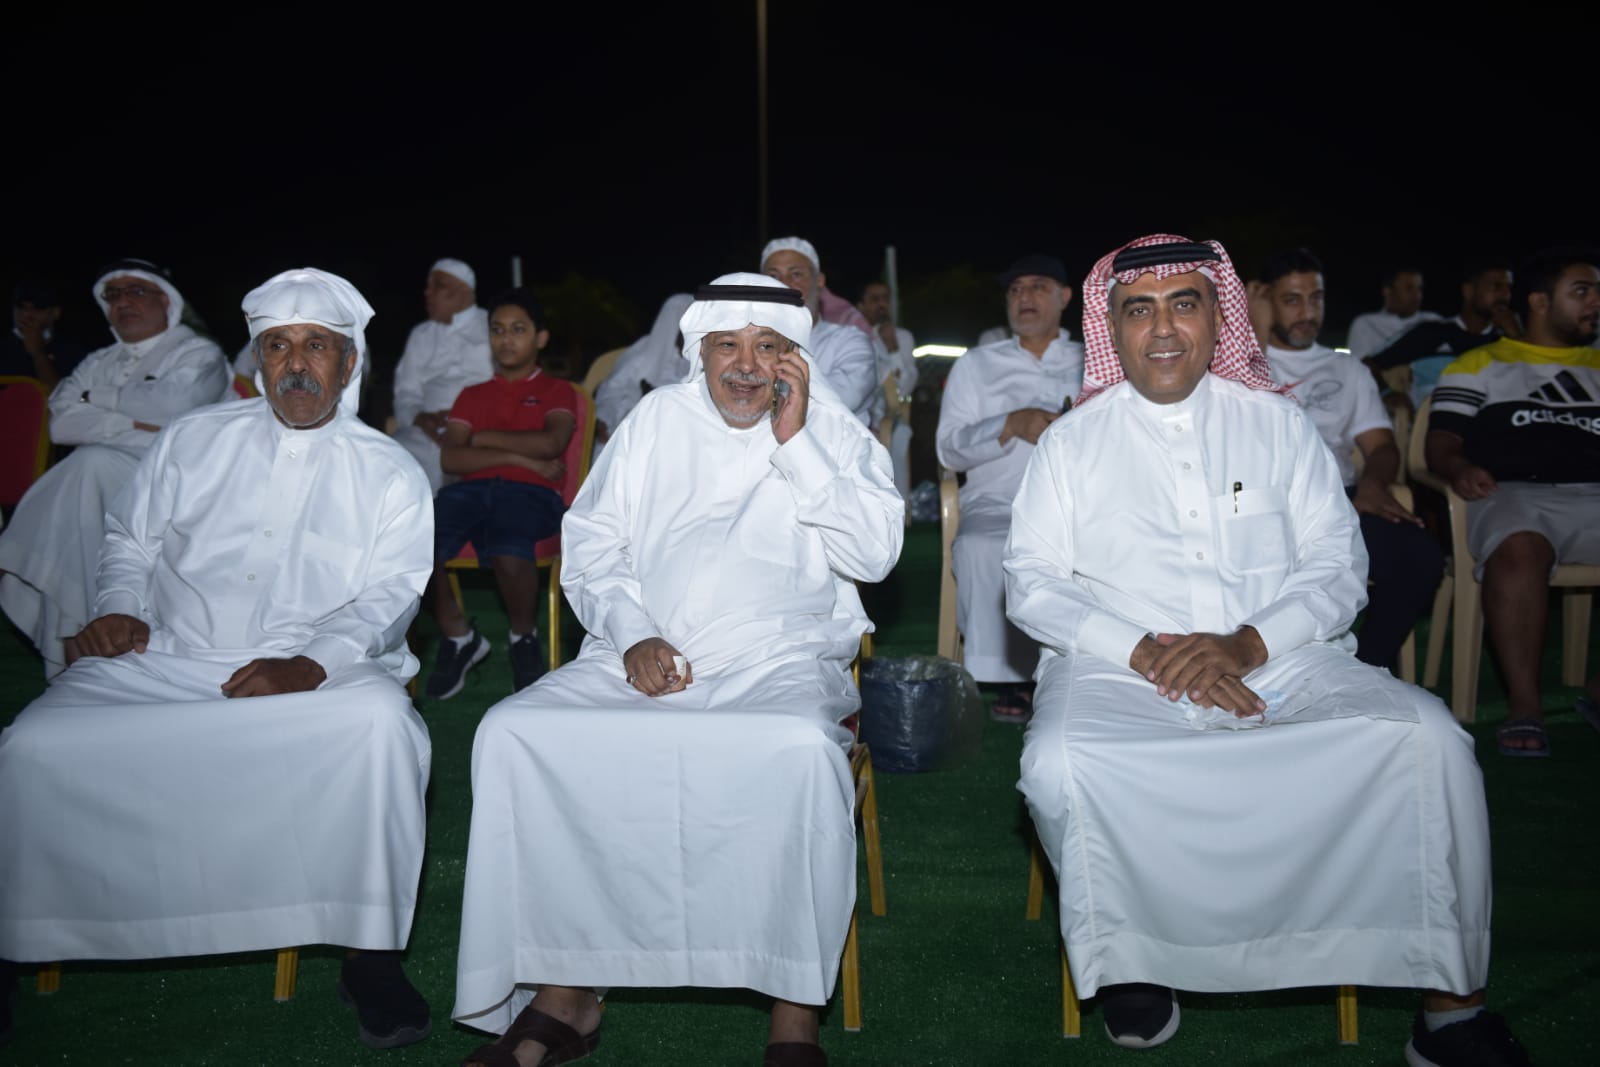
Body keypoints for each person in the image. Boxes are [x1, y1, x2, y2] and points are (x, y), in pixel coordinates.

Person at [1007, 234, 1529, 1065]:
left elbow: (1338, 564)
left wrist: (1248, 642)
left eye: (1184, 303)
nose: (1163, 328)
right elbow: (1031, 582)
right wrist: (1145, 651)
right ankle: (1137, 958)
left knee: (1430, 739)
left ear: (1220, 318)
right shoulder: (1073, 442)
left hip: (1283, 656)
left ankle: (1451, 1010)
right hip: (1120, 667)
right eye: (1139, 310)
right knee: (1058, 761)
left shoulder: (1279, 425)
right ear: (1112, 328)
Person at [451, 273, 902, 1067]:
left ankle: (794, 1011)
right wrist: (631, 634)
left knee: (799, 751)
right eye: (728, 344)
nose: (747, 365)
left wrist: (796, 442)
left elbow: (874, 554)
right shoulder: (657, 418)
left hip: (779, 660)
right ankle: (564, 992)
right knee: (515, 731)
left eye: (768, 346)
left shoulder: (831, 428)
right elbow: (592, 543)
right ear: (701, 350)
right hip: (640, 652)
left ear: (795, 357)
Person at [0, 268, 435, 1050]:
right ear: (257, 357)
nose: (295, 363)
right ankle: (17, 937)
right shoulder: (192, 437)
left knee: (383, 729)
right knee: (31, 742)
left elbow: (391, 596)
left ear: (349, 362)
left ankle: (369, 954)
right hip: (170, 652)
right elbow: (129, 541)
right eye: (278, 345)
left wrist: (308, 663)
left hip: (321, 672)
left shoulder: (390, 468)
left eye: (316, 345)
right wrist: (119, 606)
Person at [0, 258, 228, 676]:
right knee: (91, 469)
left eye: (136, 291)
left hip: (185, 478)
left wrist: (96, 399)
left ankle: (75, 635)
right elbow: (61, 423)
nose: (123, 302)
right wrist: (138, 424)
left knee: (90, 464)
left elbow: (178, 404)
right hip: (106, 473)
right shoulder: (98, 360)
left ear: (167, 301)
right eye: (114, 294)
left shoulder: (199, 352)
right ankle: (88, 634)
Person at [1425, 248, 1600, 757]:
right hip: (1515, 492)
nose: (1595, 303)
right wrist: (1459, 468)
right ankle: (1525, 705)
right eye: (1582, 292)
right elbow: (1442, 441)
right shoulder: (1478, 364)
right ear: (1540, 302)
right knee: (1518, 549)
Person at [1258, 247, 1444, 672]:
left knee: (1419, 557)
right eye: (1292, 300)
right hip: (1263, 501)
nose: (1308, 313)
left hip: (1338, 498)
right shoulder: (1235, 363)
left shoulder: (1347, 369)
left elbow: (1381, 446)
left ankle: (1367, 668)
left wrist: (1374, 483)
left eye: (1316, 298)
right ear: (1265, 300)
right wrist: (1255, 328)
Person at [935, 254, 1083, 720]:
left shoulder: (1093, 359)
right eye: (1016, 290)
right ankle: (1015, 678)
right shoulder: (977, 364)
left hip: (1080, 500)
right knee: (983, 545)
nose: (1024, 297)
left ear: (1065, 297)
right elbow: (948, 450)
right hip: (998, 500)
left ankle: (1091, 667)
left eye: (1038, 287)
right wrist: (1010, 424)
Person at [424, 288, 580, 699]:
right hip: (469, 493)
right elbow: (451, 458)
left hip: (532, 495)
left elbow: (551, 444)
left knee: (510, 548)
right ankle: (458, 635)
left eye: (518, 330)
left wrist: (483, 438)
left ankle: (523, 637)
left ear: (540, 338)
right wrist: (519, 456)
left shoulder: (558, 391)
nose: (506, 339)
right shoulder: (471, 395)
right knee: (412, 541)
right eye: (497, 330)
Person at [391, 258, 493, 491]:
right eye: (428, 286)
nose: (427, 292)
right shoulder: (421, 335)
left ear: (464, 291)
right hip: (426, 433)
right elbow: (406, 392)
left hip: (482, 428)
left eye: (439, 285)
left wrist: (466, 417)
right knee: (390, 461)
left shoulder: (492, 326)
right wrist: (419, 418)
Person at [1368, 260, 1520, 408]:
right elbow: (1369, 365)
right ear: (1469, 291)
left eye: (1509, 288)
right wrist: (1388, 393)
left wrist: (1516, 337)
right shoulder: (1433, 332)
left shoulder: (1505, 341)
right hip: (1432, 416)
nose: (1505, 294)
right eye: (1496, 286)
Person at [762, 236, 879, 425]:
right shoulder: (743, 346)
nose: (783, 284)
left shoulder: (849, 341)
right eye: (773, 277)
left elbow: (841, 400)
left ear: (819, 280)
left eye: (796, 274)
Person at [592, 292, 694, 441]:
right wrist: (605, 419)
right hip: (630, 428)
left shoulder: (705, 358)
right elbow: (613, 390)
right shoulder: (645, 351)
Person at [857, 279, 918, 500]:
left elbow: (906, 386)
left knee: (897, 434)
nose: (881, 304)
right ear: (861, 306)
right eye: (874, 299)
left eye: (885, 299)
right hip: (857, 414)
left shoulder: (903, 337)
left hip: (890, 417)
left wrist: (892, 347)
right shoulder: (853, 337)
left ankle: (897, 506)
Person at [2, 280, 88, 387]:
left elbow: (63, 394)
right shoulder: (3, 348)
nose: (26, 314)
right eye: (21, 306)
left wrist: (38, 353)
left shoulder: (72, 353)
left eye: (38, 307)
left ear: (56, 313)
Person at [1345, 264, 1440, 360]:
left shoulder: (1432, 321)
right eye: (1409, 288)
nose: (1417, 295)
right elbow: (1358, 365)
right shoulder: (1365, 324)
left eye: (1419, 289)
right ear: (1387, 291)